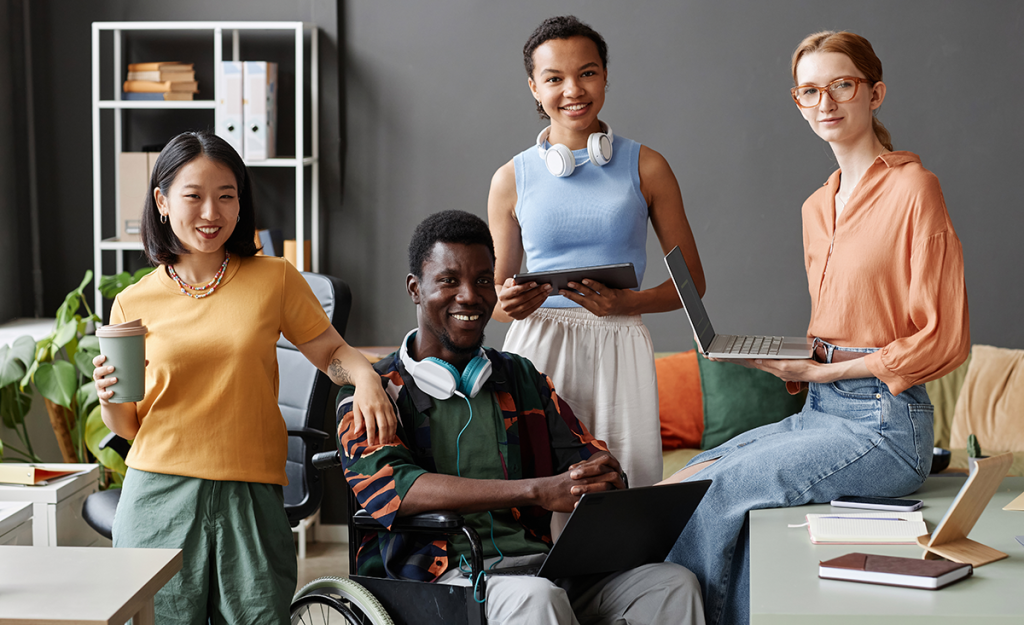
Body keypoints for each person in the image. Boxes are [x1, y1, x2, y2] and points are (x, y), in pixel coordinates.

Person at [663, 31, 970, 625]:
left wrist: (829, 367)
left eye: (842, 85)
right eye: (810, 91)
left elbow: (943, 337)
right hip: (821, 410)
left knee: (716, 494)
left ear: (874, 93)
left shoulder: (914, 189)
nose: (826, 101)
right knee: (692, 475)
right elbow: (844, 317)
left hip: (885, 425)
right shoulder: (815, 206)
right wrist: (791, 360)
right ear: (798, 104)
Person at [338, 210, 706, 625]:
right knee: (538, 599)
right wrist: (535, 491)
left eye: (482, 280)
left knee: (673, 583)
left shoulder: (520, 377)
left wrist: (600, 475)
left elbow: (586, 455)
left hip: (541, 567)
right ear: (415, 289)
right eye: (448, 280)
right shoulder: (370, 391)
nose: (469, 296)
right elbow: (393, 488)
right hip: (436, 580)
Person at [91, 131, 397, 624]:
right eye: (193, 196)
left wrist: (366, 379)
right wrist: (108, 397)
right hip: (158, 497)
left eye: (226, 196)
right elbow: (129, 427)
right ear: (162, 202)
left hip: (249, 495)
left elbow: (331, 352)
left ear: (240, 205)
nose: (211, 212)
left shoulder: (273, 278)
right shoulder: (134, 301)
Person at [487, 15, 705, 488]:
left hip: (619, 341)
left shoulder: (648, 166)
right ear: (534, 88)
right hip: (538, 349)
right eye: (554, 78)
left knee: (626, 484)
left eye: (586, 73)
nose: (573, 90)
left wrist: (629, 304)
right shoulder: (510, 178)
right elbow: (497, 303)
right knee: (541, 483)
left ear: (605, 76)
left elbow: (692, 285)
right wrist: (508, 303)